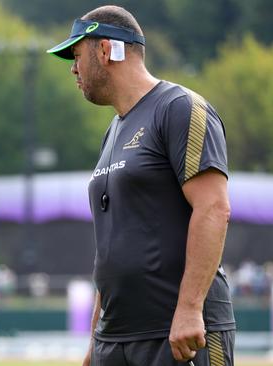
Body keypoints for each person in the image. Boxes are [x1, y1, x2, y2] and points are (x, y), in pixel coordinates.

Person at [47, 6, 235, 366]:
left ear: (105, 51)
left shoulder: (180, 108)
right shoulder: (114, 131)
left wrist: (189, 310)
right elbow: (112, 245)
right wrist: (95, 339)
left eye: (76, 55)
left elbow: (213, 208)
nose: (73, 68)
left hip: (177, 333)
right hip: (115, 338)